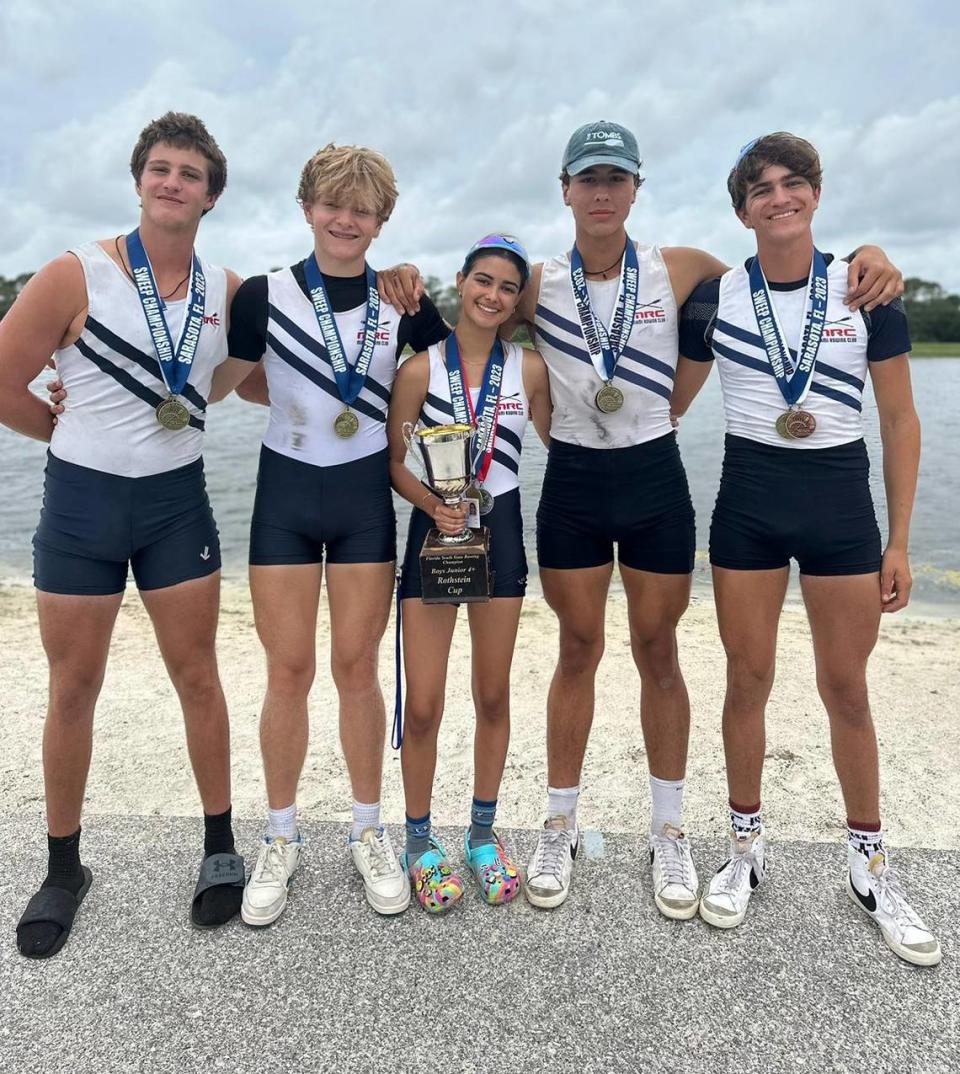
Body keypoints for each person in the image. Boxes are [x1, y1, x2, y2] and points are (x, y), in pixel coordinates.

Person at [359, 120, 904, 919]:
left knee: (658, 650)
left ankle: (671, 830)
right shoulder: (535, 283)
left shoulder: (681, 268)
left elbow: (781, 273)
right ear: (567, 190)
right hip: (575, 482)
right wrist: (398, 281)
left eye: (617, 178)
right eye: (588, 179)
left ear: (637, 189)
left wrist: (869, 257)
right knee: (578, 649)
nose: (603, 192)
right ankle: (559, 822)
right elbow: (466, 339)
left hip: (655, 478)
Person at [671, 132, 939, 965]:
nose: (779, 199)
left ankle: (869, 864)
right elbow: (661, 404)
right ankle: (745, 851)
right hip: (748, 502)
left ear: (817, 194)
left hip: (839, 506)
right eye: (761, 190)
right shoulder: (715, 297)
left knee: (846, 689)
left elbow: (899, 420)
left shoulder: (867, 291)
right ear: (741, 208)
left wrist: (899, 539)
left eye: (794, 185)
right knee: (747, 680)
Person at [0, 112, 256, 959]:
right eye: (159, 167)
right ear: (139, 180)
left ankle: (219, 845)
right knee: (74, 686)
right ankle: (64, 867)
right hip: (81, 505)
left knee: (199, 677)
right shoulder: (75, 273)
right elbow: (3, 376)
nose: (172, 180)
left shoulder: (227, 291)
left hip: (176, 505)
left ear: (210, 195)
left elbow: (235, 386)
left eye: (189, 172)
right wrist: (59, 431)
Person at [226, 144, 449, 922]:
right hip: (284, 494)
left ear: (381, 220)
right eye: (332, 203)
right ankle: (280, 838)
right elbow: (214, 376)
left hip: (361, 501)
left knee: (356, 670)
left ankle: (366, 829)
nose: (345, 218)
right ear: (307, 208)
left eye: (362, 208)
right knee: (288, 671)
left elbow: (461, 367)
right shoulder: (263, 294)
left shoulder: (403, 301)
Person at [387, 235, 551, 912]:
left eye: (508, 288)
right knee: (423, 704)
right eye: (482, 281)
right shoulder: (419, 370)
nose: (492, 295)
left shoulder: (532, 371)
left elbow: (565, 443)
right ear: (460, 283)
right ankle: (420, 842)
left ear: (519, 302)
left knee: (491, 696)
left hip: (503, 536)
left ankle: (483, 835)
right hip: (435, 535)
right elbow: (394, 462)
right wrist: (433, 506)